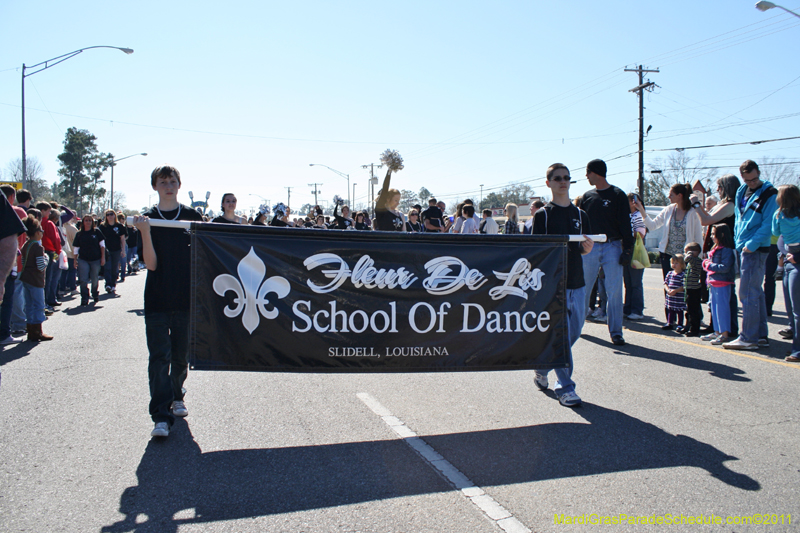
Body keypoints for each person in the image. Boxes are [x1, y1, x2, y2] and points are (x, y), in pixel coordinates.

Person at [133, 165, 203, 438]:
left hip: (185, 299)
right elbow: (151, 264)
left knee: (180, 357)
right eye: (162, 182)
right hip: (157, 299)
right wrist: (145, 232)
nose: (168, 186)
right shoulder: (148, 219)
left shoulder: (192, 217)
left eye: (172, 181)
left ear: (179, 184)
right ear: (155, 186)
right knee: (159, 358)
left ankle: (177, 395)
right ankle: (160, 416)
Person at [532, 163, 593, 407]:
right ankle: (566, 387)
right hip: (553, 286)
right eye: (557, 178)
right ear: (548, 183)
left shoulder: (581, 215)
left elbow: (583, 248)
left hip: (578, 283)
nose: (563, 181)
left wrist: (586, 249)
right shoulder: (543, 215)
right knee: (561, 337)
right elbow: (536, 252)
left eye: (566, 177)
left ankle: (542, 365)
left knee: (573, 333)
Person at [724, 160, 778, 351]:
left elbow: (768, 224)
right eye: (748, 180)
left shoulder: (770, 193)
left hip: (756, 249)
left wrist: (751, 245)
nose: (752, 183)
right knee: (756, 292)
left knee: (747, 293)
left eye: (755, 179)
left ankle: (748, 337)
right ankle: (760, 335)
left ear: (759, 173)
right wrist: (739, 242)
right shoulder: (741, 191)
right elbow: (739, 218)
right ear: (743, 177)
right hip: (743, 246)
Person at [581, 159, 633, 346]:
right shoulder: (587, 196)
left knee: (614, 291)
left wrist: (628, 249)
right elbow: (581, 225)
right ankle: (576, 326)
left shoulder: (618, 194)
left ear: (595, 172)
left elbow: (625, 223)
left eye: (588, 172)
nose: (586, 176)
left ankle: (616, 332)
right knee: (583, 289)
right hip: (590, 246)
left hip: (613, 245)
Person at [691, 174, 741, 337]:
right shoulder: (723, 204)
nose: (717, 189)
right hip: (717, 249)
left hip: (725, 250)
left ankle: (729, 329)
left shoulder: (730, 205)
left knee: (725, 293)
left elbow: (706, 220)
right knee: (714, 293)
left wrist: (696, 204)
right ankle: (717, 326)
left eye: (720, 186)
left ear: (727, 187)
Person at [634, 183, 703, 280]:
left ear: (679, 196)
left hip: (685, 257)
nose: (668, 197)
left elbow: (698, 236)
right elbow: (652, 225)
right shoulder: (668, 210)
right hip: (667, 256)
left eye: (671, 195)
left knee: (683, 285)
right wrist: (641, 209)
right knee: (669, 284)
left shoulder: (692, 213)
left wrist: (699, 256)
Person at [771, 185, 800, 362]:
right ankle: (795, 343)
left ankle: (798, 349)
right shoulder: (780, 214)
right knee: (791, 309)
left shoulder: (778, 215)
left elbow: (775, 232)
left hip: (794, 259)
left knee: (796, 310)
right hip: (788, 259)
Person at [19, 216, 52, 342]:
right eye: (41, 231)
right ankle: (38, 331)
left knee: (29, 305)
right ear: (37, 232)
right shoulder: (38, 248)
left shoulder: (25, 245)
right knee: (39, 305)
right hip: (36, 280)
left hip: (26, 279)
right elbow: (40, 266)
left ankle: (30, 329)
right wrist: (47, 259)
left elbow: (23, 262)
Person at [702, 224, 736, 345]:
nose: (711, 236)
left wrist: (708, 264)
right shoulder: (715, 248)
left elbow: (725, 267)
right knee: (714, 308)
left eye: (713, 234)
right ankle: (717, 332)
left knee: (722, 309)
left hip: (723, 283)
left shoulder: (726, 250)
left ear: (721, 235)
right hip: (713, 282)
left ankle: (724, 334)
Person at [0, 189, 26, 344]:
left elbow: (11, 240)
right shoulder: (18, 211)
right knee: (10, 298)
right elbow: (11, 240)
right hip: (10, 265)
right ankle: (5, 333)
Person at [73, 214, 106, 306]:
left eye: (90, 220)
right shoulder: (79, 234)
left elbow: (102, 246)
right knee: (83, 279)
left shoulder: (97, 232)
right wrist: (75, 260)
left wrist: (103, 257)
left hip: (95, 259)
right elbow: (76, 248)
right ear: (83, 222)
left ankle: (94, 293)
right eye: (86, 220)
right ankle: (84, 297)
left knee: (94, 278)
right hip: (83, 259)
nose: (88, 222)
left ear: (92, 222)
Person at [624, 192, 647, 321]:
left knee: (635, 282)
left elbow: (641, 234)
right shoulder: (627, 215)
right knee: (628, 282)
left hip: (636, 250)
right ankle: (628, 308)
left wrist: (626, 232)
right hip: (627, 250)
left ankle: (637, 310)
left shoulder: (638, 215)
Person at [36, 202, 61, 311]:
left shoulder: (35, 223)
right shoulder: (49, 223)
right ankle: (48, 300)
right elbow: (56, 239)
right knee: (50, 277)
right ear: (42, 211)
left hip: (38, 251)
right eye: (48, 211)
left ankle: (45, 301)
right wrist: (58, 253)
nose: (50, 213)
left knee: (41, 278)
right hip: (50, 252)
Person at [374, 152, 405, 232]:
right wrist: (389, 171)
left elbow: (404, 231)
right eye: (395, 200)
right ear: (388, 199)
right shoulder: (381, 211)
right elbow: (384, 190)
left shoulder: (399, 214)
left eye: (398, 200)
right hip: (385, 240)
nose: (398, 203)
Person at [99, 209, 126, 294]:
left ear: (114, 215)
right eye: (108, 215)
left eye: (111, 214)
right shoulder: (102, 226)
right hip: (106, 250)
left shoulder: (120, 226)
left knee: (114, 268)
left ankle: (113, 284)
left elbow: (122, 239)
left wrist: (123, 250)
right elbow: (100, 239)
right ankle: (108, 284)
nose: (110, 216)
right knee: (107, 267)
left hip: (116, 249)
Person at [681, 242, 704, 337]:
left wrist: (689, 254)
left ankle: (694, 329)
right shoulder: (691, 263)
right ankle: (688, 326)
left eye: (687, 251)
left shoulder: (697, 261)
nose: (685, 254)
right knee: (689, 310)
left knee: (694, 311)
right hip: (689, 288)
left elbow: (686, 259)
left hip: (694, 289)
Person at [663, 254, 686, 331]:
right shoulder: (670, 273)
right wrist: (668, 290)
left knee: (679, 310)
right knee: (671, 310)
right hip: (670, 296)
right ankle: (670, 322)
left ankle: (680, 324)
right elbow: (665, 283)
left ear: (682, 264)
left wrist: (675, 291)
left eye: (676, 263)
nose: (674, 265)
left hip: (679, 297)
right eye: (673, 263)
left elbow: (683, 286)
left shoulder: (683, 275)